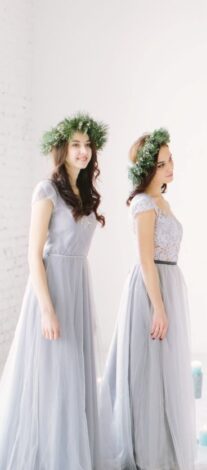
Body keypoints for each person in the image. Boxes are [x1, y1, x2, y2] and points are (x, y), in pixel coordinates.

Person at [0, 112, 108, 469]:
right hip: (54, 290)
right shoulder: (46, 190)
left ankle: (72, 451)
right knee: (53, 375)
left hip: (78, 285)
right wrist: (47, 309)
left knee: (74, 376)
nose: (83, 151)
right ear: (62, 149)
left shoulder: (87, 193)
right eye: (75, 145)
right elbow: (33, 255)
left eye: (87, 145)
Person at [100, 128, 196, 469]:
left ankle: (163, 444)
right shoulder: (143, 204)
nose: (170, 167)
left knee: (163, 369)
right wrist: (158, 306)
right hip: (149, 287)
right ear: (146, 168)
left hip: (168, 280)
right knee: (146, 369)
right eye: (161, 163)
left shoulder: (162, 201)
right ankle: (143, 448)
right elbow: (145, 259)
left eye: (170, 160)